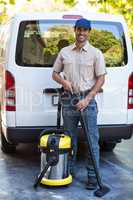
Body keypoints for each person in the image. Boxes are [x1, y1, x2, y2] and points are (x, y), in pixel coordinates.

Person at [52, 18, 106, 190]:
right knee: (69, 139)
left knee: (92, 141)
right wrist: (63, 82)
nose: (82, 33)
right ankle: (68, 172)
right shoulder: (65, 52)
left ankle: (92, 177)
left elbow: (101, 78)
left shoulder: (96, 53)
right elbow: (54, 73)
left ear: (89, 32)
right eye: (79, 29)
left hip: (87, 100)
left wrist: (88, 99)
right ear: (74, 30)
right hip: (68, 100)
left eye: (85, 30)